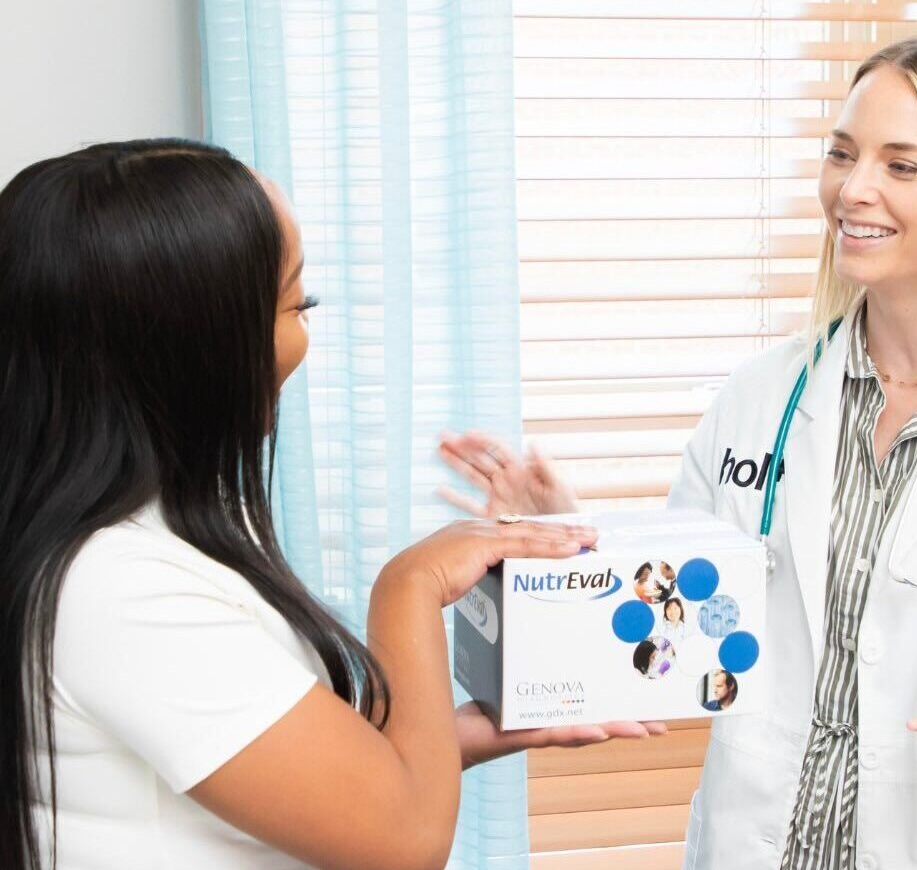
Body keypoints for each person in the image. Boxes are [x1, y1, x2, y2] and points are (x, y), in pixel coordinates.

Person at [439, 36, 917, 868]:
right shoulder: (762, 397)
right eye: (842, 154)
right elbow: (675, 639)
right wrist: (568, 555)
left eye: (902, 166)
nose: (852, 190)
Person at [0, 139, 664, 870]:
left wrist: (468, 733)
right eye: (296, 303)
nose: (304, 333)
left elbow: (274, 761)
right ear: (194, 345)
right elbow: (405, 842)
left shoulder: (123, 545)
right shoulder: (117, 589)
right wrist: (410, 585)